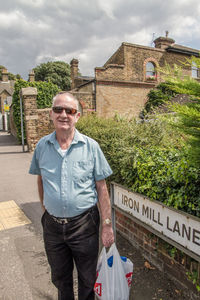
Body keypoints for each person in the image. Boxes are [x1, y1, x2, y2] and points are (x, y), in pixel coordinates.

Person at [29, 91, 114, 300]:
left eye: (70, 110)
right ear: (51, 114)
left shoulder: (91, 147)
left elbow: (102, 188)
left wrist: (106, 225)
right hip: (53, 227)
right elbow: (41, 181)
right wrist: (46, 210)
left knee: (87, 279)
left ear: (77, 116)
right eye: (58, 109)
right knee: (60, 278)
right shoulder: (42, 146)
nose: (63, 114)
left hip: (84, 225)